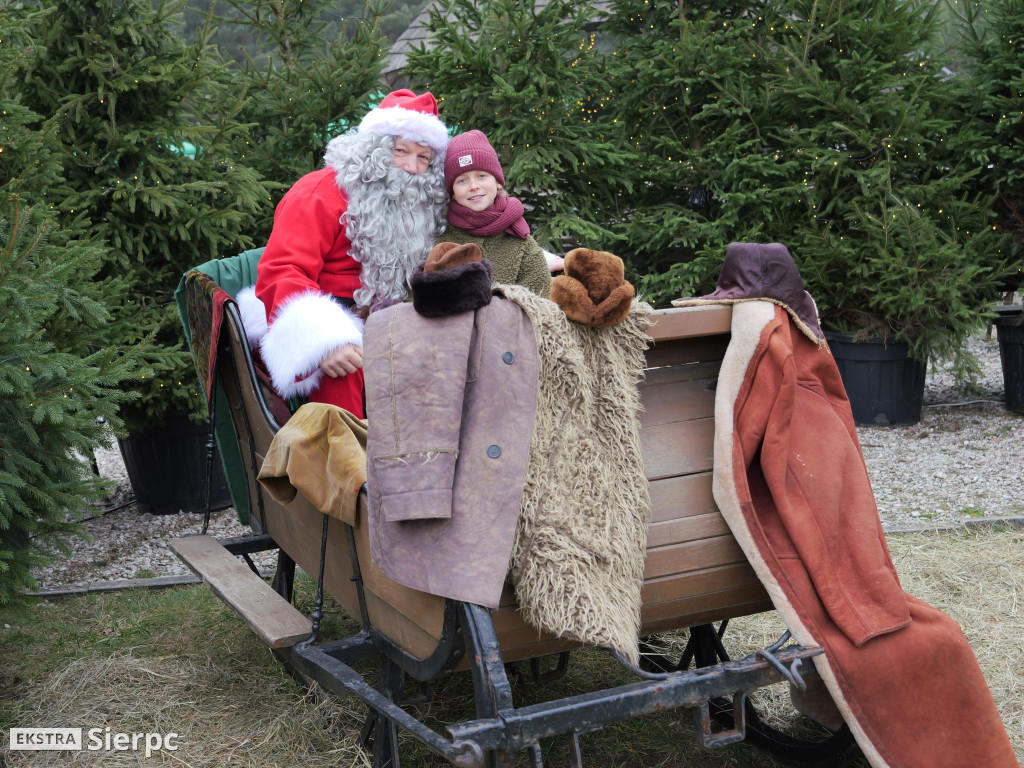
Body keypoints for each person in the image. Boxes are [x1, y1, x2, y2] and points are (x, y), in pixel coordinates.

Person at [242, 89, 450, 419]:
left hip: (393, 323)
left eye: (423, 158)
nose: (411, 167)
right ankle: (346, 470)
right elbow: (283, 268)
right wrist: (325, 341)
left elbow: (471, 239)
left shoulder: (425, 206)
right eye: (401, 151)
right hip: (329, 320)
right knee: (345, 371)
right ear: (376, 149)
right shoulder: (322, 190)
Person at [439, 130, 557, 297]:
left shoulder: (520, 242)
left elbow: (542, 302)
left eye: (481, 175)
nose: (473, 186)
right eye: (462, 180)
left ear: (497, 182)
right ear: (452, 191)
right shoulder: (440, 238)